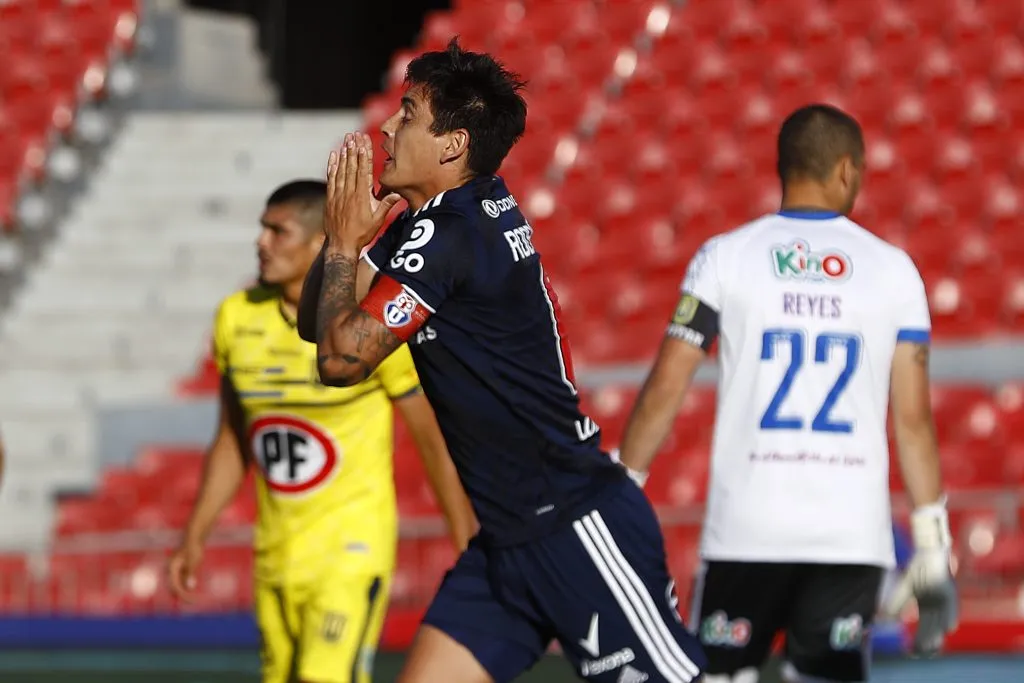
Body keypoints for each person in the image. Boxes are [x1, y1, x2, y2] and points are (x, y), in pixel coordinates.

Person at [299, 39, 706, 683]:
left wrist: (346, 245)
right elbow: (313, 323)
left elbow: (340, 359)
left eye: (406, 115)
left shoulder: (449, 235)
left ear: (452, 144)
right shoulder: (445, 217)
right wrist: (341, 242)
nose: (385, 126)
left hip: (575, 524)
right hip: (506, 545)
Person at [616, 104, 957, 682]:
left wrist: (624, 488)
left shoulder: (723, 257)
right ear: (847, 171)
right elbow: (914, 421)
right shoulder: (895, 271)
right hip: (849, 539)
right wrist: (932, 542)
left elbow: (667, 382)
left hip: (748, 528)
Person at [168, 179, 476, 683]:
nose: (261, 243)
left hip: (350, 554)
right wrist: (195, 535)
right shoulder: (236, 317)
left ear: (320, 243)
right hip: (275, 556)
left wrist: (466, 545)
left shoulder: (366, 324)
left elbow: (432, 440)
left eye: (278, 231)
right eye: (261, 230)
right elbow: (231, 439)